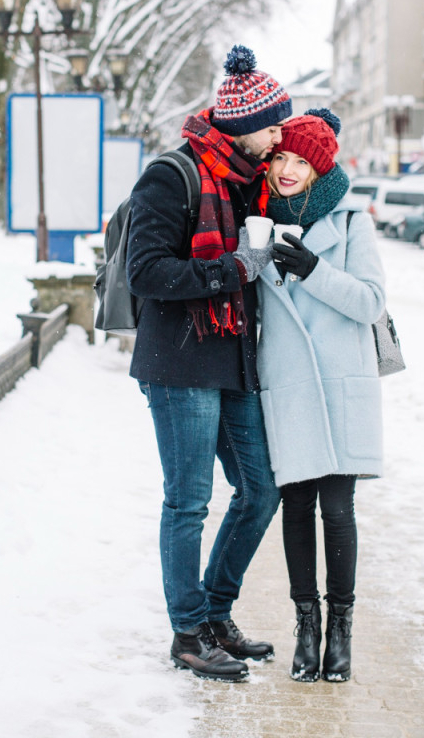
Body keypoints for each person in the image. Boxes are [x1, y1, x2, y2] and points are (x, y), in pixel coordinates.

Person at [126, 45, 291, 683]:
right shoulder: (173, 176)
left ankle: (217, 614)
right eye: (272, 123)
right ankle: (188, 632)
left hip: (235, 362)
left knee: (260, 490)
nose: (278, 134)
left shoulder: (250, 183)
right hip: (180, 363)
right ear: (241, 123)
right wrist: (234, 268)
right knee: (189, 502)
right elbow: (148, 272)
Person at [256, 108, 386, 683]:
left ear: (320, 166)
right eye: (280, 156)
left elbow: (371, 303)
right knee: (295, 510)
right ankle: (305, 628)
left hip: (338, 384)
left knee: (336, 511)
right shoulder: (255, 220)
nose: (286, 169)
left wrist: (312, 270)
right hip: (286, 383)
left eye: (300, 161)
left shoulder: (354, 223)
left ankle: (341, 632)